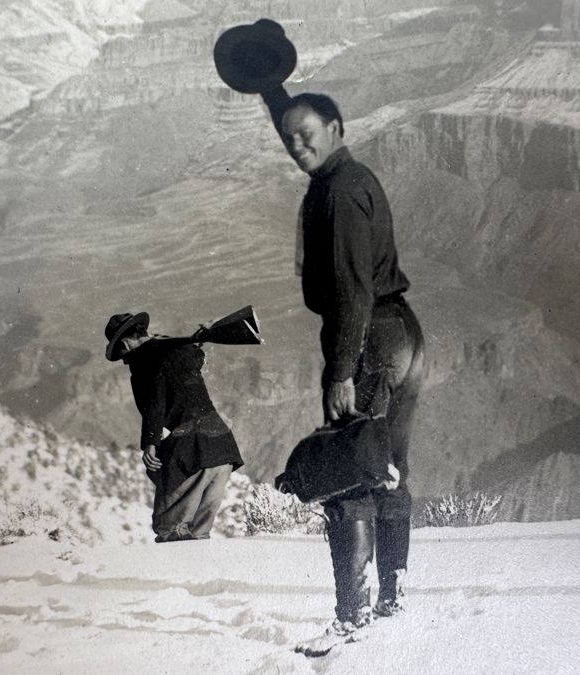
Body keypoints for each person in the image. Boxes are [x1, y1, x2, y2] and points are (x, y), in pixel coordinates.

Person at [268, 92, 426, 652]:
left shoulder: (338, 191)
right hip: (402, 334)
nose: (296, 143)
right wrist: (269, 84)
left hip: (365, 339)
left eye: (306, 132)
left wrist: (341, 371)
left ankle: (351, 616)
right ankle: (392, 595)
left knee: (348, 471)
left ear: (336, 127)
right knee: (388, 466)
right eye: (288, 136)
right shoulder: (349, 175)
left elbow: (352, 290)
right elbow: (295, 120)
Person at [105, 312, 244, 543]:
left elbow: (154, 402)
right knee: (198, 533)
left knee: (169, 529)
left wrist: (150, 443)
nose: (124, 360)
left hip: (194, 448)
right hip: (222, 447)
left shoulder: (144, 360)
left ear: (125, 343)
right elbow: (195, 358)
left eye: (121, 353)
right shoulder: (177, 349)